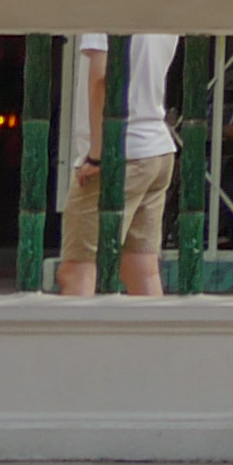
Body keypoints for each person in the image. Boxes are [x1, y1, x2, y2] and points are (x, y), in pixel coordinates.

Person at [52, 32, 178, 297]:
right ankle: (155, 337)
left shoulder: (107, 3)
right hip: (155, 146)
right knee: (141, 267)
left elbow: (102, 78)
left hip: (121, 151)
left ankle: (76, 339)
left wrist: (98, 153)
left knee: (77, 271)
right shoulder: (165, 5)